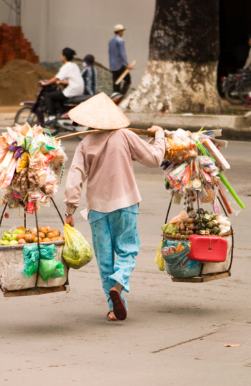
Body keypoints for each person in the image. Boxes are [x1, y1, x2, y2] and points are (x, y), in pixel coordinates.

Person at [63, 93, 165, 322]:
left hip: (97, 210)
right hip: (126, 203)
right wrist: (159, 134)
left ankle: (113, 307)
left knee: (105, 261)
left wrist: (69, 211)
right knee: (128, 251)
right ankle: (118, 287)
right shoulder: (125, 136)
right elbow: (154, 158)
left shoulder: (85, 143)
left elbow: (75, 178)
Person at [41, 47, 84, 116]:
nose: (61, 57)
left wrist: (45, 83)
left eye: (61, 55)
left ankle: (52, 116)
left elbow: (56, 78)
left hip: (72, 90)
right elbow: (72, 80)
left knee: (48, 96)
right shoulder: (74, 65)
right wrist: (61, 82)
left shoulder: (66, 66)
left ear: (64, 57)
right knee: (58, 95)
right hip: (79, 90)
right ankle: (60, 113)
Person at [108, 24, 133, 95]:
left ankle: (115, 96)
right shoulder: (120, 41)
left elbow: (110, 53)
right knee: (128, 80)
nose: (123, 33)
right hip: (119, 65)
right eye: (122, 31)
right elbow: (122, 54)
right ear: (119, 32)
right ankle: (121, 95)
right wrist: (127, 64)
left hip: (112, 66)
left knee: (116, 83)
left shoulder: (111, 41)